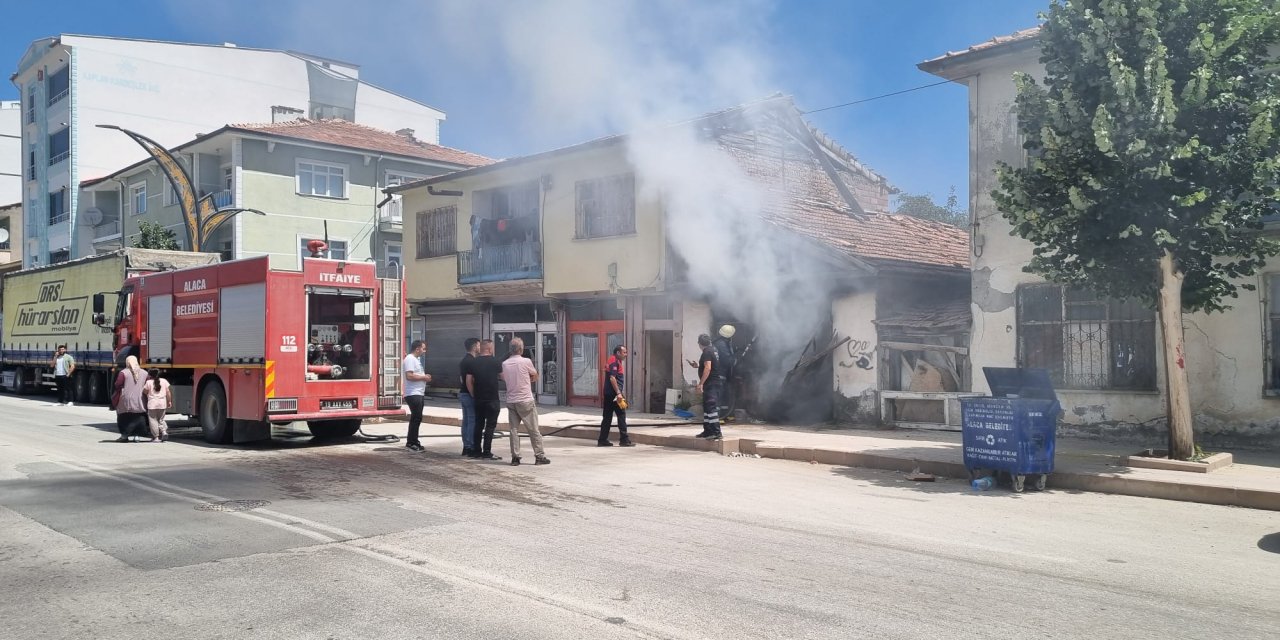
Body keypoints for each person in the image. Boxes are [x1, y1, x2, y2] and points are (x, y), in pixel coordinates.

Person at [501, 337, 549, 466]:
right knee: (533, 429)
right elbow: (535, 375)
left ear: (510, 350)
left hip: (511, 400)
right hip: (525, 400)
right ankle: (539, 456)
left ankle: (515, 457)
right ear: (521, 349)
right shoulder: (526, 361)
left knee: (513, 430)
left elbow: (505, 378)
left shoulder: (505, 364)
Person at [466, 339, 504, 460]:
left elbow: (468, 381)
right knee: (490, 426)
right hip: (492, 398)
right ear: (489, 348)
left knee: (478, 424)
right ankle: (487, 451)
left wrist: (473, 394)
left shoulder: (473, 362)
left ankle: (477, 450)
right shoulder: (496, 361)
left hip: (479, 398)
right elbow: (503, 377)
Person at [598, 345, 634, 447]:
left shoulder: (614, 360)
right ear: (618, 353)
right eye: (624, 352)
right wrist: (618, 393)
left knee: (607, 417)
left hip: (610, 393)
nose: (626, 355)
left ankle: (602, 440)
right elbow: (612, 378)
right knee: (621, 415)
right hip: (613, 395)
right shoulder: (614, 361)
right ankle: (624, 440)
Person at [403, 340, 431, 452]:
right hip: (413, 393)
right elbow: (409, 376)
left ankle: (414, 441)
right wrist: (424, 378)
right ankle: (411, 442)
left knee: (417, 418)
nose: (424, 351)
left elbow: (415, 374)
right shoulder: (410, 359)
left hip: (418, 392)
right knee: (416, 418)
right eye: (423, 349)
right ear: (417, 348)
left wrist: (424, 376)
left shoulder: (415, 360)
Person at [112, 356, 148, 442]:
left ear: (127, 362)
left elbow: (118, 384)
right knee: (139, 418)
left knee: (124, 418)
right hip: (140, 399)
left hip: (125, 399)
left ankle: (124, 436)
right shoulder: (144, 373)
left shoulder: (123, 373)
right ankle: (137, 436)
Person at [696, 334, 723, 440]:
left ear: (700, 343)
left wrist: (700, 384)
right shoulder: (713, 350)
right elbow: (710, 365)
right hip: (712, 383)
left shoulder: (707, 352)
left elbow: (708, 368)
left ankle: (716, 432)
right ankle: (707, 430)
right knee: (707, 408)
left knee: (711, 407)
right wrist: (698, 366)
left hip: (711, 383)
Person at [458, 338, 481, 456]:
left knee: (466, 421)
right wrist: (473, 395)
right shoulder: (472, 361)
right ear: (474, 346)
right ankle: (470, 446)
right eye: (478, 345)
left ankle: (466, 446)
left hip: (463, 393)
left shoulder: (463, 360)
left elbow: (461, 379)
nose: (480, 347)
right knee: (472, 420)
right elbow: (468, 381)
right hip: (468, 393)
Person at [143, 369, 173, 442]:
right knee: (161, 419)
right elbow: (168, 392)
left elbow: (145, 391)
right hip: (162, 403)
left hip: (152, 404)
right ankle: (163, 431)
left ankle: (156, 437)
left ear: (150, 375)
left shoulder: (148, 382)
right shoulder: (164, 381)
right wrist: (169, 401)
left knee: (153, 420)